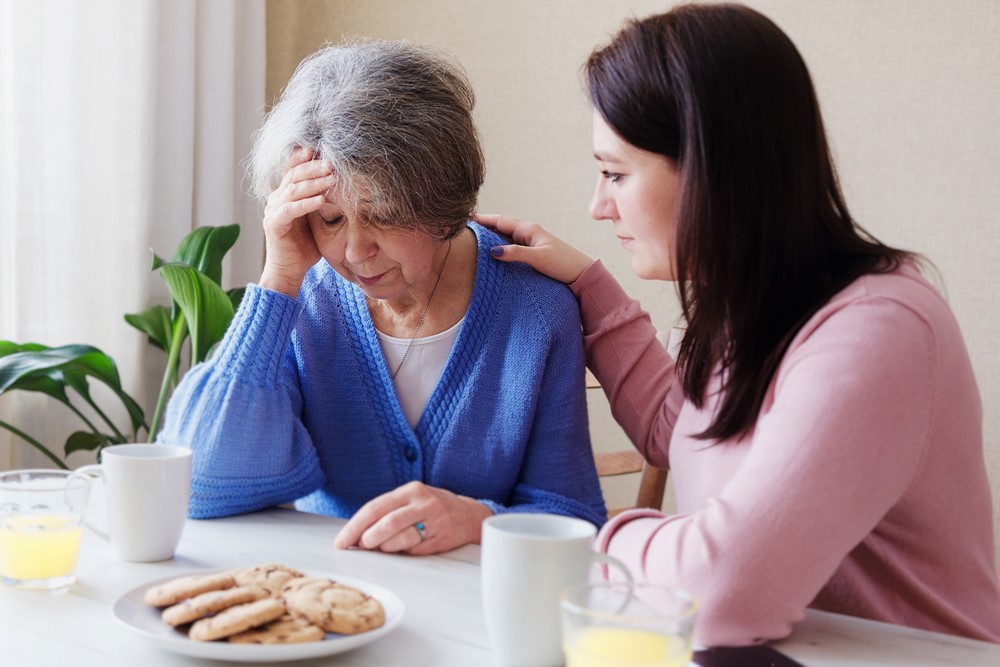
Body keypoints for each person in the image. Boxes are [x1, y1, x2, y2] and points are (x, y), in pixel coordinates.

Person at [478, 3, 1000, 646]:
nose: (597, 205)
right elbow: (679, 434)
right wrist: (589, 286)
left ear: (711, 169)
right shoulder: (751, 308)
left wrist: (577, 540)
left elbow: (719, 588)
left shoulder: (879, 332)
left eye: (615, 173)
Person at [158, 40, 606, 555]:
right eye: (329, 219)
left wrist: (479, 519)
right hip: (326, 599)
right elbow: (199, 486)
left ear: (441, 200)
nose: (354, 251)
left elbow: (574, 517)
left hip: (470, 612)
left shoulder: (536, 311)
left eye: (384, 215)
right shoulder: (303, 302)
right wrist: (278, 278)